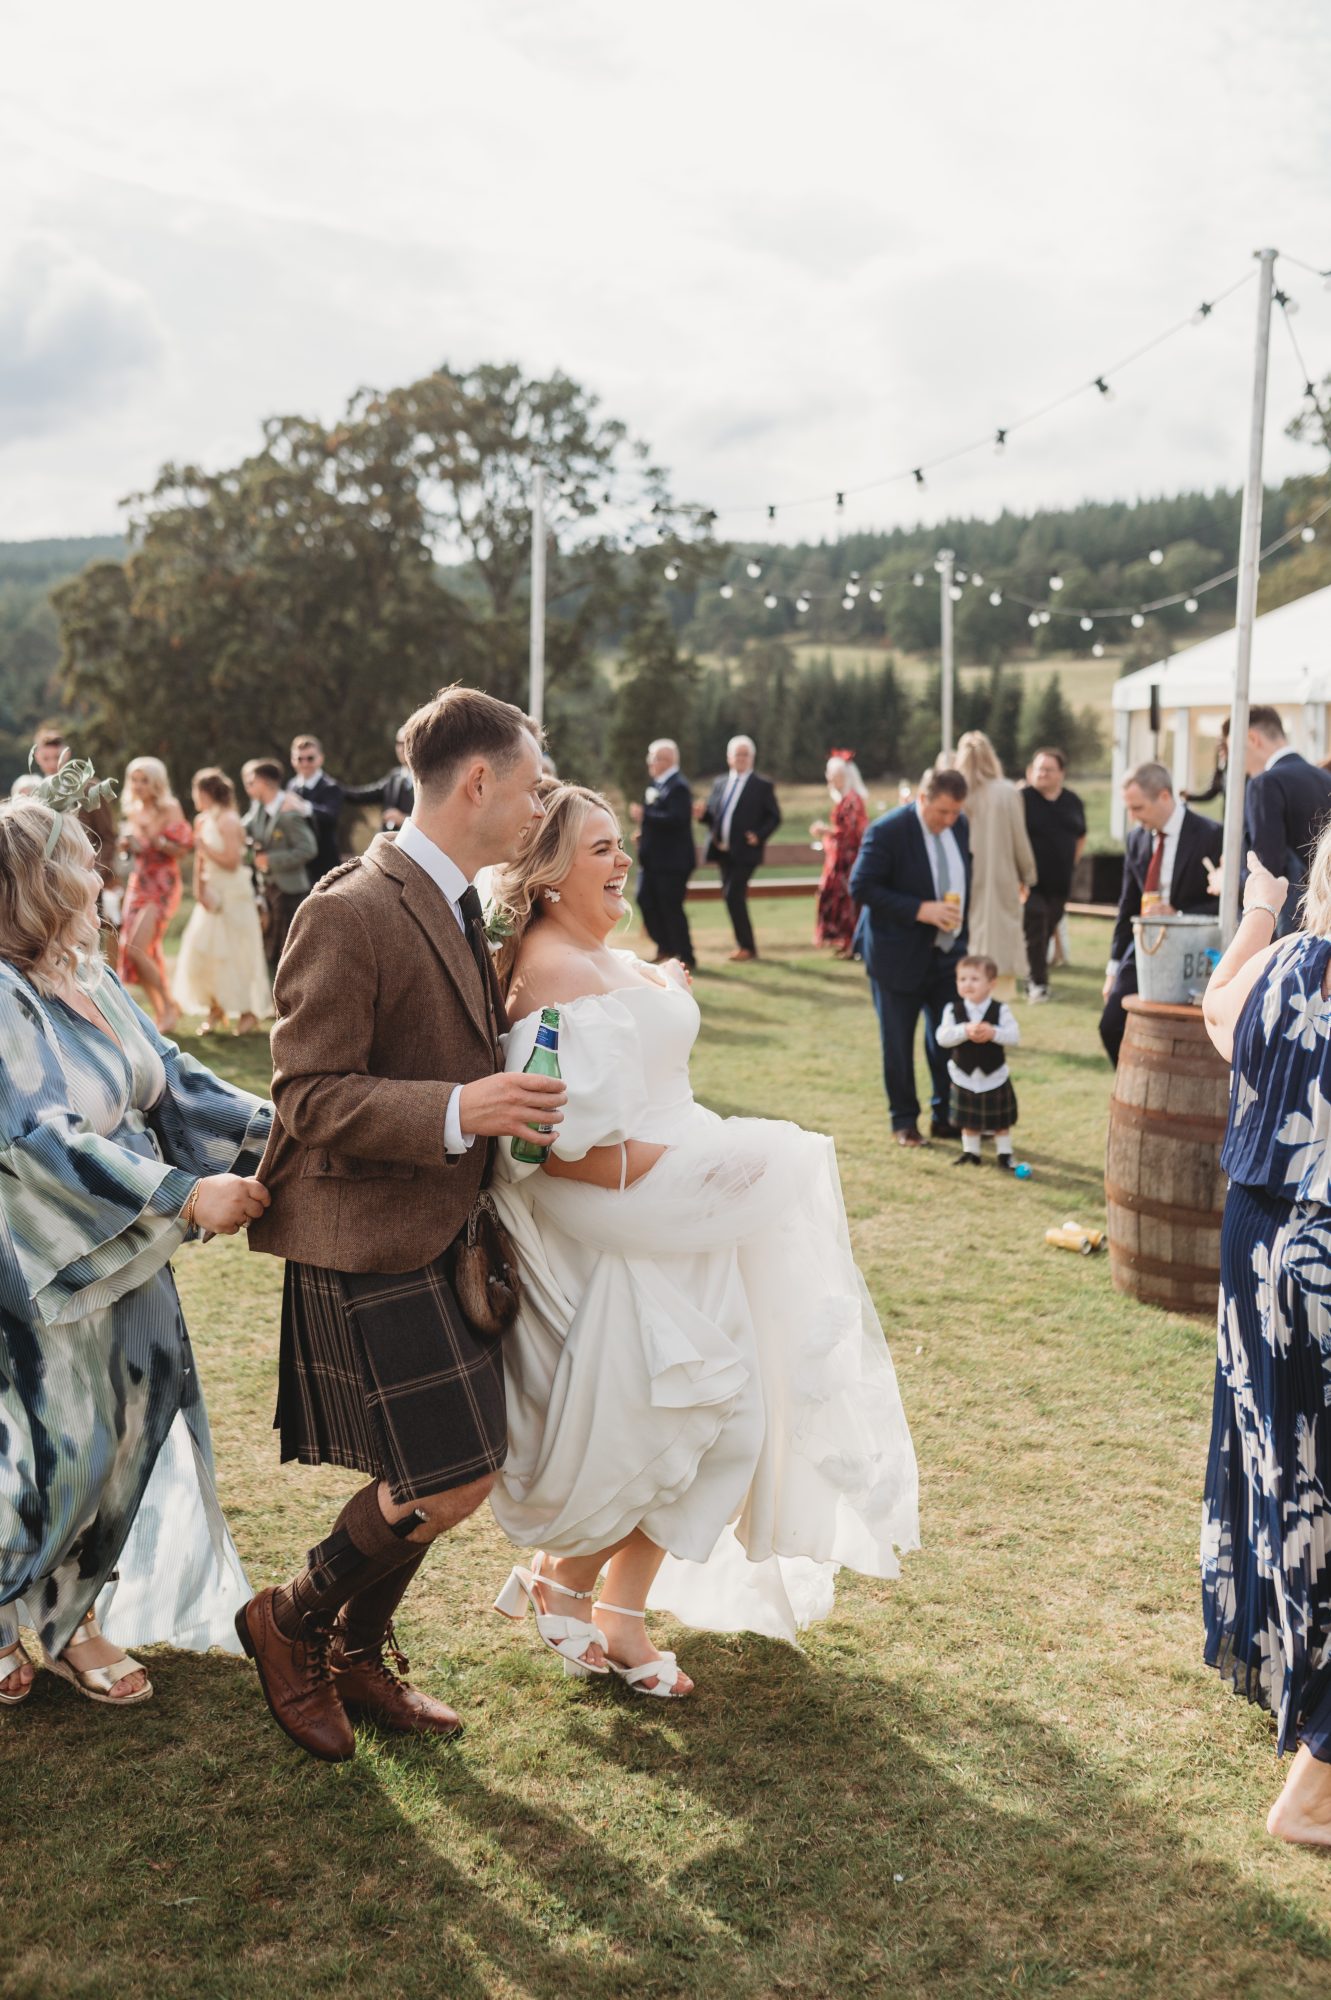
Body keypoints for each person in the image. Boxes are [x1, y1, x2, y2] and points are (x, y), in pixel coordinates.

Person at [486, 784, 919, 1696]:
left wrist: (658, 984)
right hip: (636, 1222)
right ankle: (582, 1593)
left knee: (735, 1423)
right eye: (601, 848)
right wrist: (703, 1162)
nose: (621, 861)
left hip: (681, 1215)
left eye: (620, 844)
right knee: (704, 1424)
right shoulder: (548, 971)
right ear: (552, 871)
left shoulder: (595, 953)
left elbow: (635, 1053)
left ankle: (596, 1601)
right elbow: (553, 1150)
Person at [237, 686, 563, 1763]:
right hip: (370, 1228)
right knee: (447, 1476)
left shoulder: (463, 897)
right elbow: (306, 1094)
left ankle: (356, 1654)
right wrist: (459, 1108)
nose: (537, 804)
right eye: (529, 784)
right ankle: (289, 1621)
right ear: (477, 781)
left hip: (444, 1227)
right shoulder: (349, 906)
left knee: (450, 1473)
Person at [0, 773, 271, 1710]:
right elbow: (39, 1141)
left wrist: (284, 1129)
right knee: (53, 1448)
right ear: (35, 885)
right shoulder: (2, 996)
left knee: (133, 1428)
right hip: (41, 1261)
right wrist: (188, 1195)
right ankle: (15, 1615)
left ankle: (74, 1615)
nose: (100, 867)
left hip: (131, 1251)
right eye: (79, 858)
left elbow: (173, 1083)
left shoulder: (94, 977)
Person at [1200, 832, 1331, 1848]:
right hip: (1319, 1250)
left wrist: (1256, 904)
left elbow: (1214, 1011)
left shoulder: (1289, 959)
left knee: (1278, 1474)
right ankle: (1315, 1783)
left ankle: (1278, 1669)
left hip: (1255, 1242)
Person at [849, 765, 971, 1149]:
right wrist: (920, 909)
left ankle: (945, 1115)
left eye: (956, 812)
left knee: (947, 1039)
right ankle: (903, 1121)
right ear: (922, 799)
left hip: (949, 953)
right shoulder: (887, 831)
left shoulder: (960, 826)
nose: (950, 820)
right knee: (898, 1042)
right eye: (942, 812)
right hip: (895, 954)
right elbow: (861, 885)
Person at [1099, 760, 1223, 1066]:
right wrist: (1113, 968)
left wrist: (1178, 912)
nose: (1133, 817)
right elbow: (1128, 904)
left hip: (1194, 951)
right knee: (1110, 1024)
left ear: (1165, 797)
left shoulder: (1211, 834)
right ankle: (1134, 1085)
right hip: (1144, 946)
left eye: (1138, 808)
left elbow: (1227, 903)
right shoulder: (1136, 839)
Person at [175, 768, 272, 1034]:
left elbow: (231, 862)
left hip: (233, 893)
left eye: (196, 790)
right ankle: (214, 1009)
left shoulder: (229, 821)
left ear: (205, 792)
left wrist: (204, 848)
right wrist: (199, 889)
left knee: (235, 954)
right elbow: (199, 860)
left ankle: (247, 1011)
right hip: (211, 894)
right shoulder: (202, 820)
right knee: (202, 952)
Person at [951, 731, 1036, 1000]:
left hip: (960, 882)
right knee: (998, 948)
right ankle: (995, 1010)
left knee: (965, 943)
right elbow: (1019, 839)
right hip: (1000, 880)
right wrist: (1028, 874)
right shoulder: (1006, 792)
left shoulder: (955, 794)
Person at [118, 755, 193, 1035]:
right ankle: (161, 1010)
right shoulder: (132, 809)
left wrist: (155, 838)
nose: (138, 785)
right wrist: (131, 845)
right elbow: (136, 850)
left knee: (137, 948)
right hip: (138, 881)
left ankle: (170, 1005)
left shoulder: (170, 808)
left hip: (162, 883)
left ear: (157, 782)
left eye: (144, 780)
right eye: (134, 780)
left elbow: (182, 848)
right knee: (134, 950)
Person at [1239, 706, 1331, 933]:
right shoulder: (1324, 777)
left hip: (1286, 927)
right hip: (1324, 919)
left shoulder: (1264, 784)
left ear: (1252, 738)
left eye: (1233, 749)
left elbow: (1266, 867)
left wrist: (1228, 880)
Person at [697, 736, 782, 962]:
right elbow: (713, 816)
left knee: (733, 894)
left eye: (746, 754)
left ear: (752, 758)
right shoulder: (720, 783)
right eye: (738, 754)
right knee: (730, 896)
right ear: (729, 758)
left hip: (746, 852)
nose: (741, 758)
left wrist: (759, 835)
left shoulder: (762, 786)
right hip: (722, 851)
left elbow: (775, 817)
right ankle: (744, 945)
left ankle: (748, 947)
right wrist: (702, 815)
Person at [935, 953, 1021, 1169]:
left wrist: (993, 1032)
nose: (967, 984)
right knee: (968, 1121)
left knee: (1001, 1122)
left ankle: (1005, 1154)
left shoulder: (1001, 1010)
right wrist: (964, 1030)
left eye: (974, 979)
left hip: (994, 1075)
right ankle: (971, 1152)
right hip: (963, 1075)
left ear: (991, 984)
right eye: (962, 979)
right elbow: (942, 1038)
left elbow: (1014, 1036)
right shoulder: (952, 1010)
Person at [240, 758, 319, 975]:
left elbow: (308, 849)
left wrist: (270, 860)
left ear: (264, 782)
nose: (247, 787)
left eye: (250, 782)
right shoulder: (257, 810)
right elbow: (241, 830)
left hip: (291, 890)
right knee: (270, 949)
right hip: (268, 889)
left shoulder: (288, 811)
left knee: (292, 950)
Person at [1021, 747, 1087, 1003]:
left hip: (1060, 883)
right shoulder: (1022, 798)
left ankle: (1032, 975)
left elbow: (1081, 834)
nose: (1043, 774)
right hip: (1029, 883)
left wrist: (1071, 863)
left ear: (1061, 773)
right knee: (1036, 923)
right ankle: (1037, 984)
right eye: (1038, 769)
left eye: (1049, 769)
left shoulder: (1072, 801)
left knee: (1045, 930)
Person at [629, 737, 696, 970]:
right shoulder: (656, 784)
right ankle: (665, 947)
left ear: (666, 760)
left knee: (671, 906)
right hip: (653, 859)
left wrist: (645, 816)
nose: (650, 763)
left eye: (653, 758)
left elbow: (678, 819)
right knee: (645, 899)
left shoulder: (679, 786)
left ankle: (686, 954)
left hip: (672, 861)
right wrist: (643, 832)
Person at [811, 750, 869, 957]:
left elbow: (853, 833)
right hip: (840, 860)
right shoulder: (846, 799)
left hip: (848, 861)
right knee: (839, 899)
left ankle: (852, 942)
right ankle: (846, 942)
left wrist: (826, 831)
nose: (829, 779)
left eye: (832, 775)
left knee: (848, 901)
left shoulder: (853, 800)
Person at [287, 735, 344, 882]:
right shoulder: (291, 786)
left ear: (320, 759)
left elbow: (331, 816)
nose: (305, 763)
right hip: (299, 864)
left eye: (310, 758)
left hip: (325, 863)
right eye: (300, 759)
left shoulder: (331, 786)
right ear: (293, 760)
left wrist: (304, 807)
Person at [343, 728, 415, 833]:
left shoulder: (429, 780)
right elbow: (363, 795)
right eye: (399, 743)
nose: (401, 748)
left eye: (406, 743)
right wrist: (335, 788)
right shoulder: (394, 777)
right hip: (390, 843)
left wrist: (404, 819)